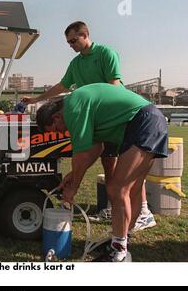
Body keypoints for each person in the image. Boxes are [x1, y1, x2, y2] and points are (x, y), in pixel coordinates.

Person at [22, 21, 156, 230]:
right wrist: (37, 99)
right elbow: (61, 86)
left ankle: (143, 211)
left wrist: (74, 182)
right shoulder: (76, 64)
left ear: (85, 34)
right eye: (68, 43)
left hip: (113, 117)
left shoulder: (106, 53)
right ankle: (114, 208)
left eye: (74, 40)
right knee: (109, 165)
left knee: (127, 167)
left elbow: (113, 88)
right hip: (91, 119)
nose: (71, 45)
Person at [36, 83, 168, 262]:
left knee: (117, 189)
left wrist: (73, 186)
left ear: (57, 116)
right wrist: (73, 175)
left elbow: (81, 154)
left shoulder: (72, 108)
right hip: (148, 120)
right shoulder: (77, 104)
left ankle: (119, 251)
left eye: (59, 129)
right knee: (134, 189)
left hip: (143, 122)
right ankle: (121, 242)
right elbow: (95, 148)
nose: (64, 133)